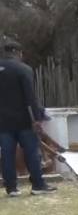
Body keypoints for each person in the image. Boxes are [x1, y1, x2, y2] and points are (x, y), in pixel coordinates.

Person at [0, 39, 56, 197]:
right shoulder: (23, 69)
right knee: (32, 152)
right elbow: (30, 97)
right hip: (24, 120)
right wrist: (37, 119)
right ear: (19, 53)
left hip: (2, 122)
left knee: (7, 154)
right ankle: (38, 185)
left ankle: (11, 189)